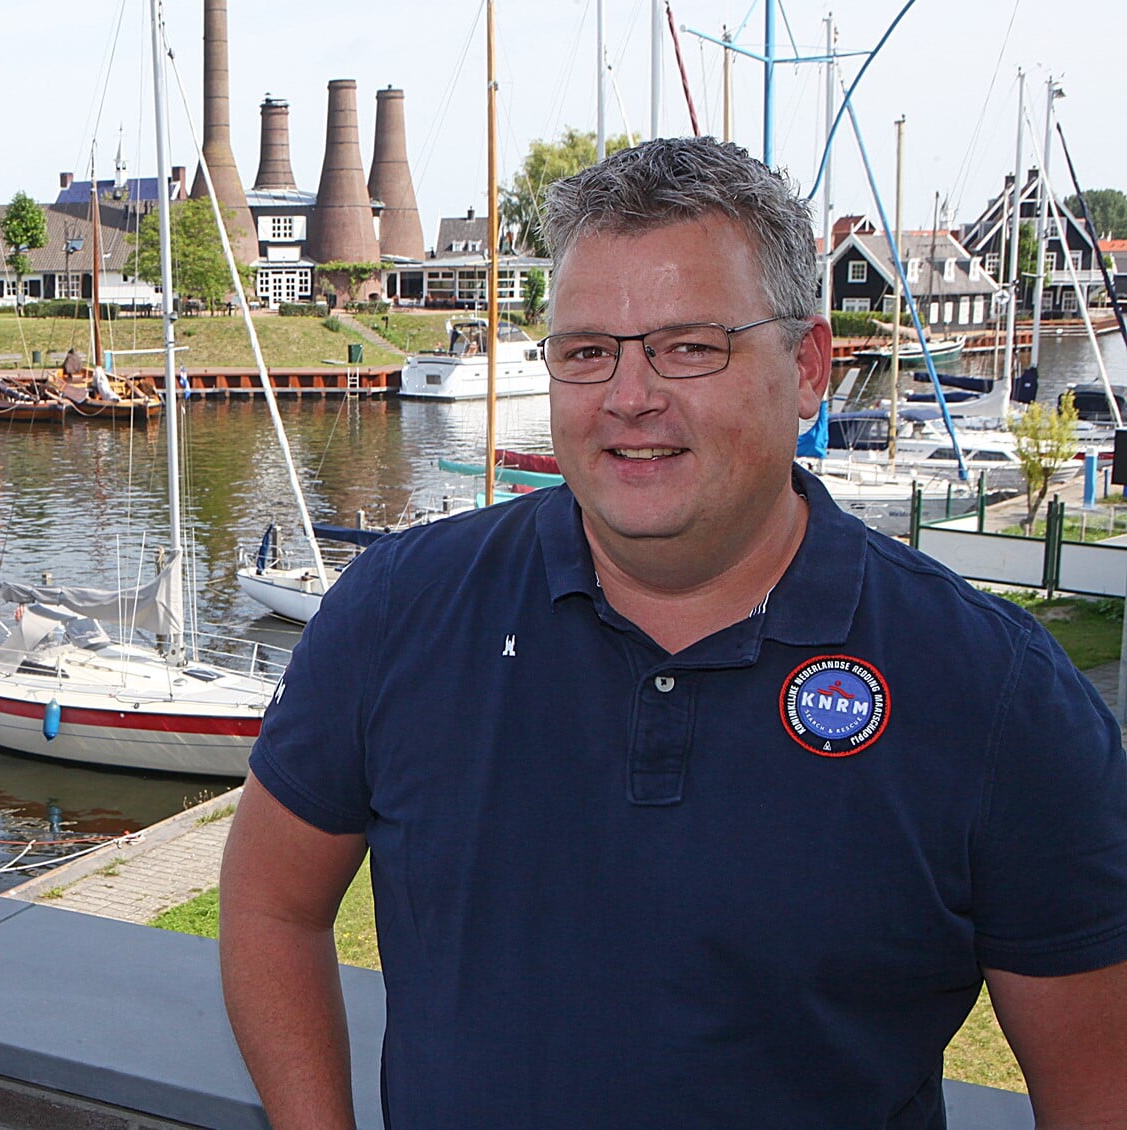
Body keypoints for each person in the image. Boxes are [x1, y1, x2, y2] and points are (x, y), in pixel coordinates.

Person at [220, 136, 1127, 1129]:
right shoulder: (396, 611)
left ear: (809, 367)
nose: (628, 395)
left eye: (689, 345)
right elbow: (270, 903)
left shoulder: (999, 699)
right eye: (586, 351)